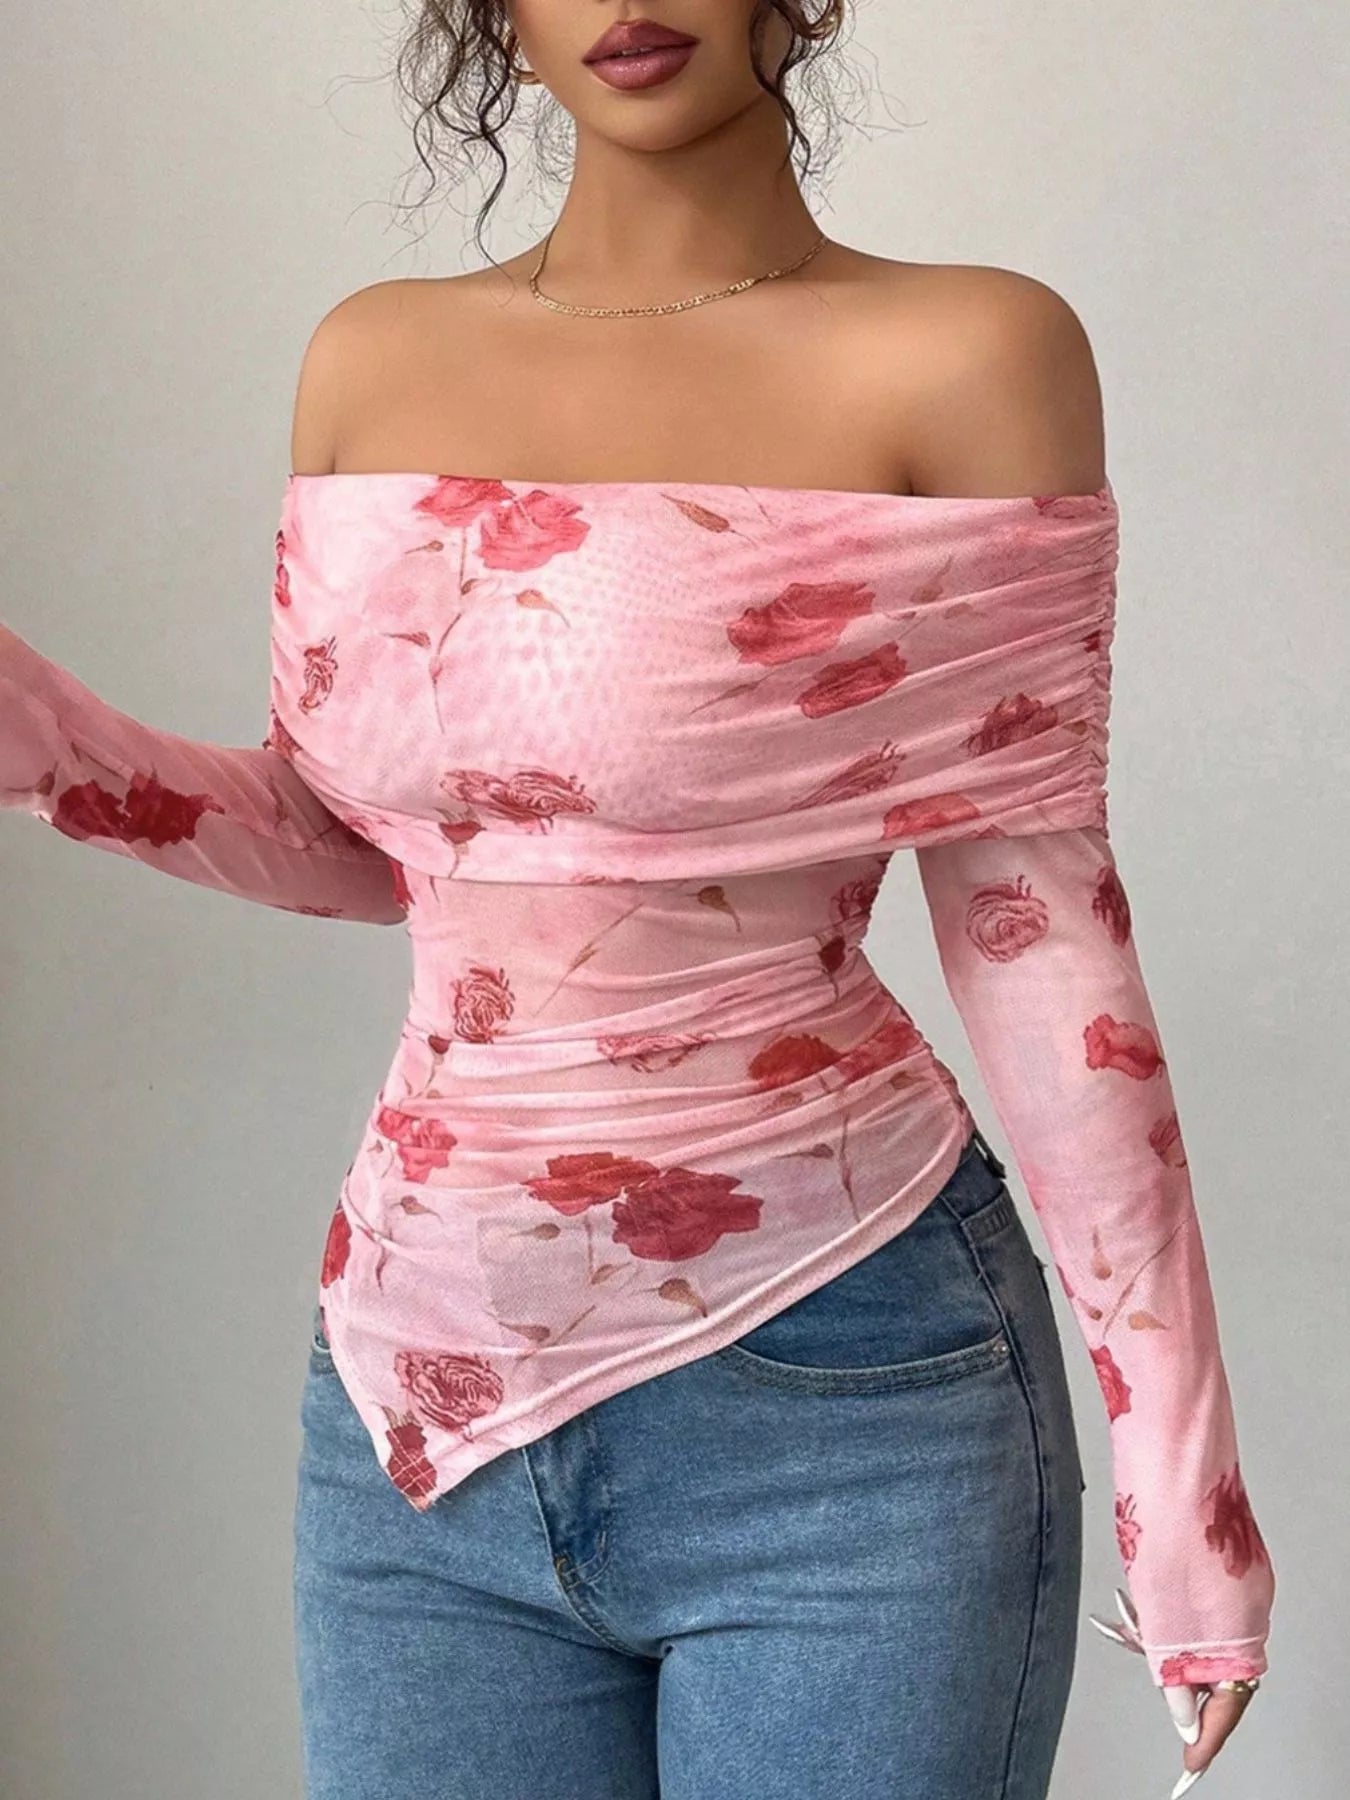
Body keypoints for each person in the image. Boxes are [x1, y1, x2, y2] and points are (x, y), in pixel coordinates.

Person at [1, 4, 1274, 1797]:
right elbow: (363, 846)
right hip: (410, 1411)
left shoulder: (967, 354)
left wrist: (1181, 1487)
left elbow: (1037, 941)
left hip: (844, 1393)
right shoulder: (372, 359)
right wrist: (32, 727)